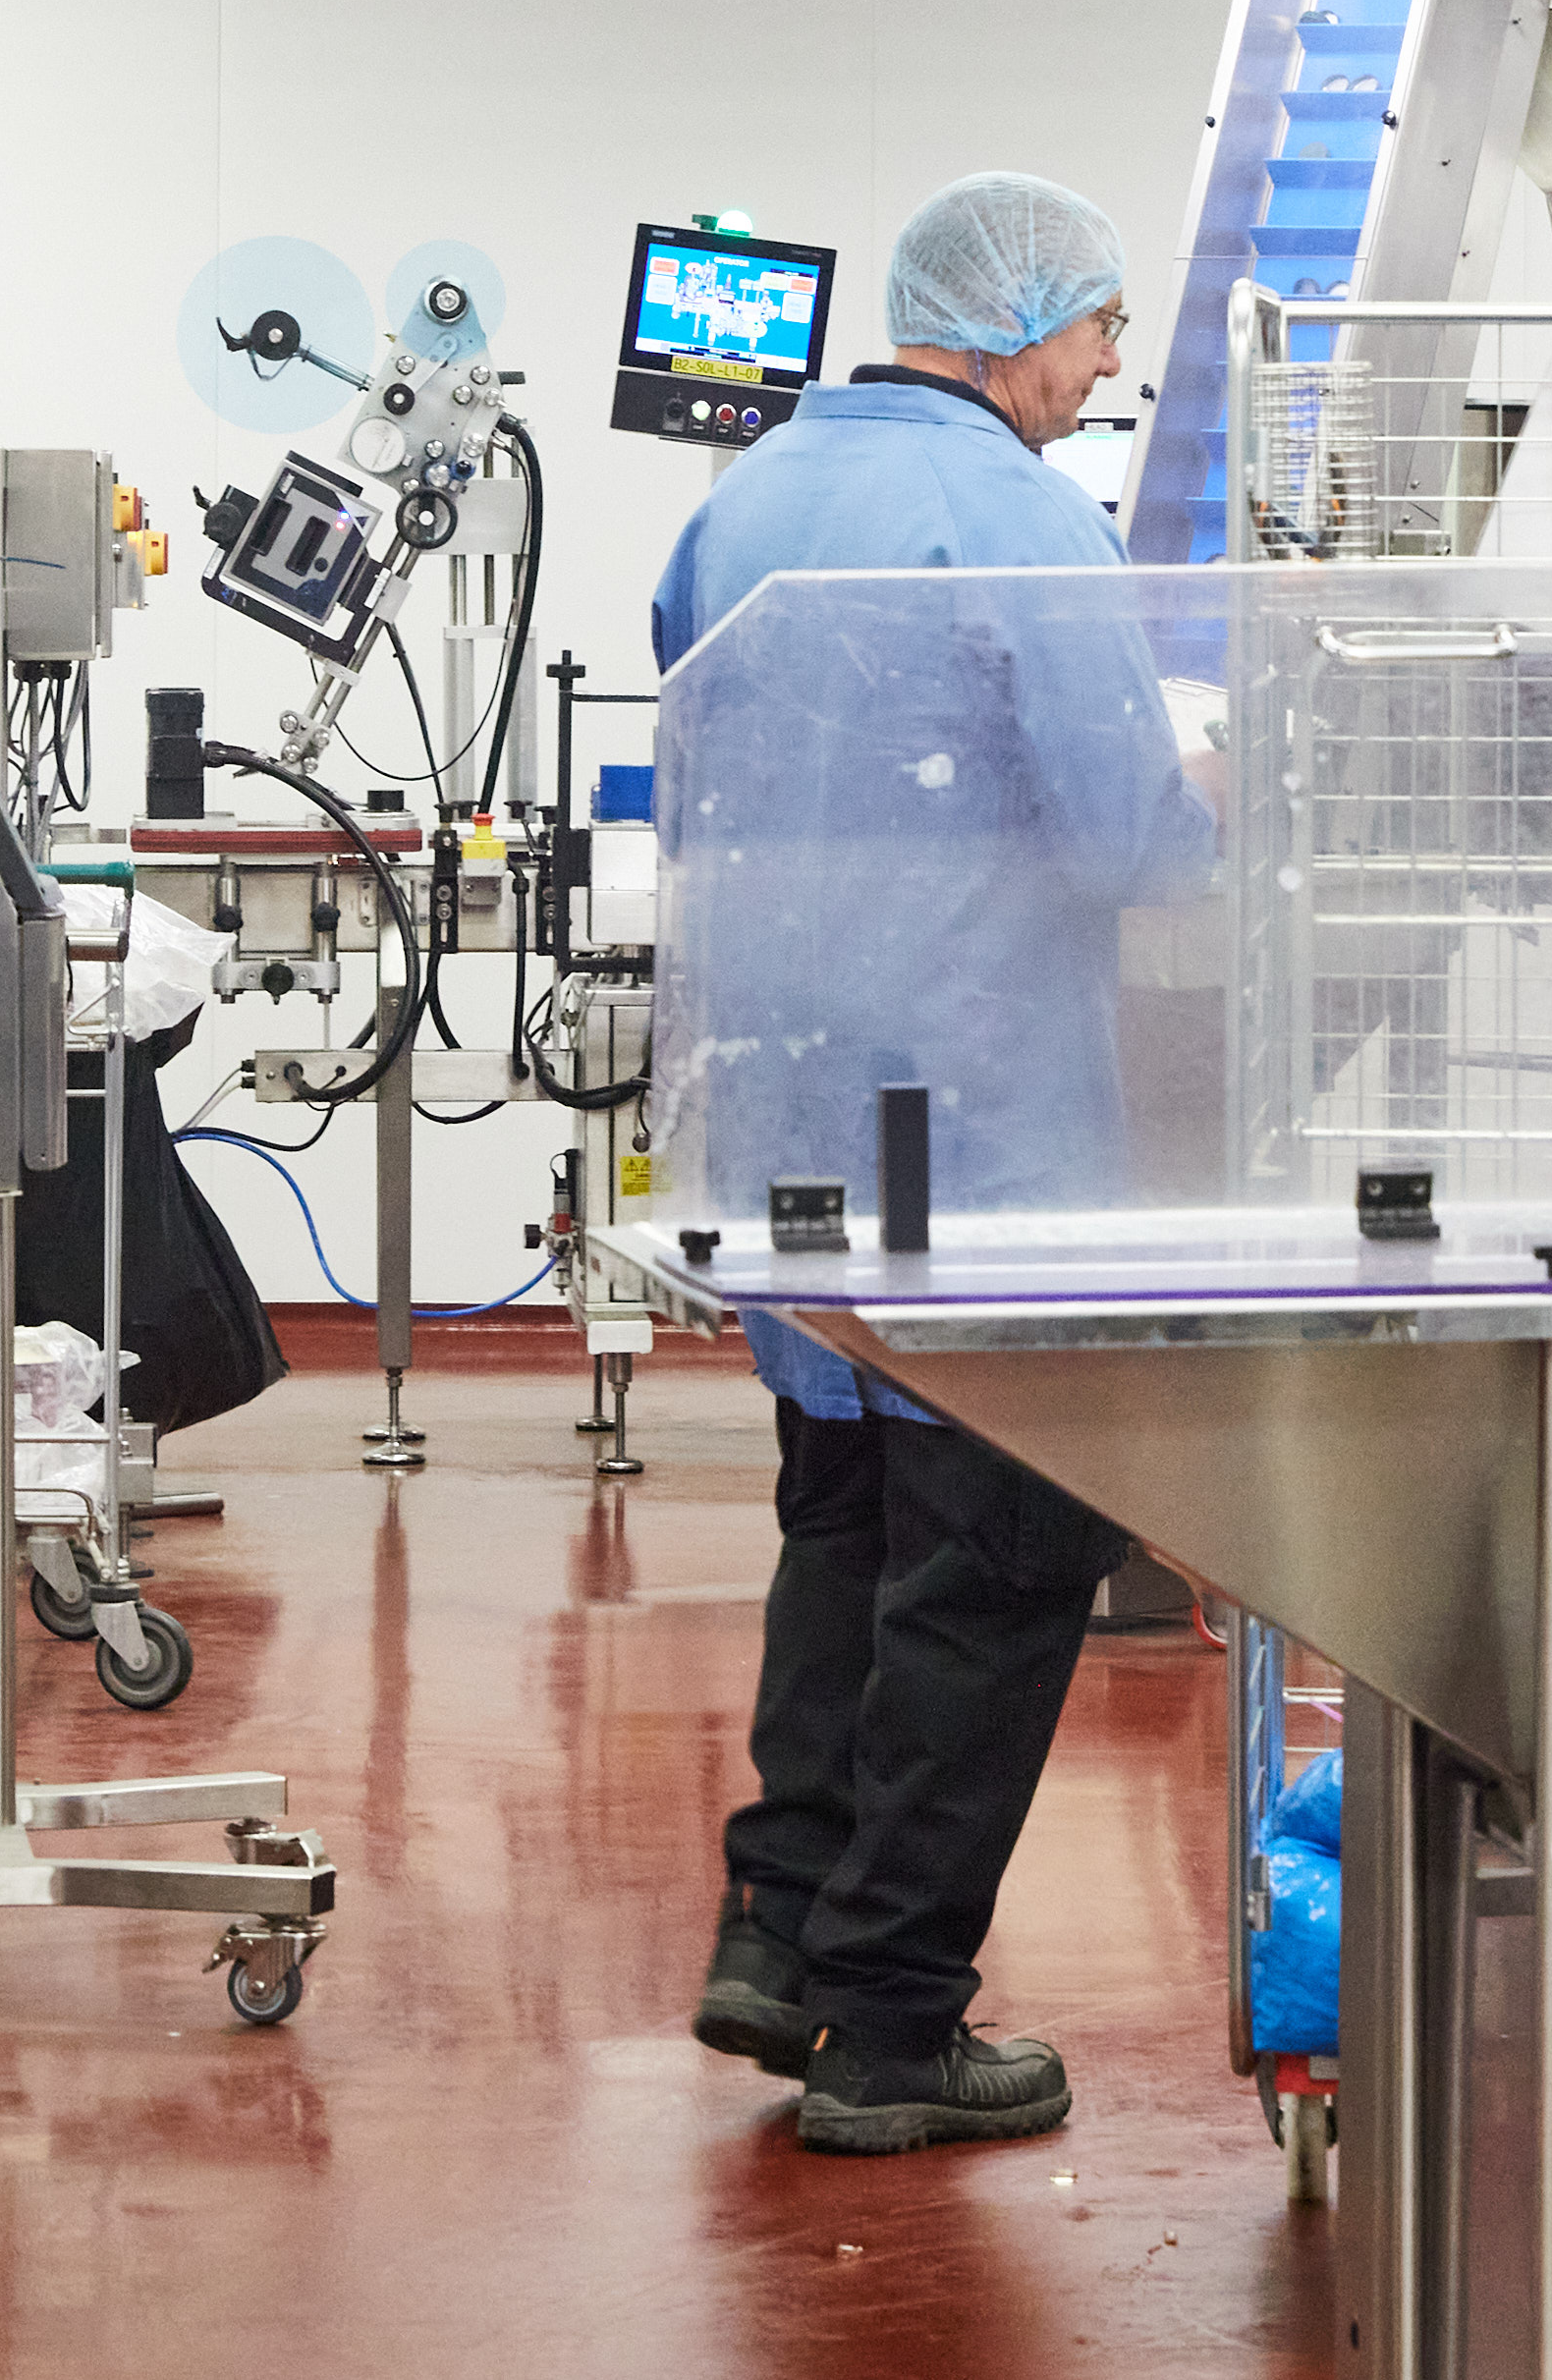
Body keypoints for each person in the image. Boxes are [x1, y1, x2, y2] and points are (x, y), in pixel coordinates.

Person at [649, 171, 1222, 2156]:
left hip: (796, 1122)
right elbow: (1126, 844)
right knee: (991, 1564)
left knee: (846, 1517)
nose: (1102, 368)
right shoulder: (1015, 515)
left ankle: (778, 1932)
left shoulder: (742, 501)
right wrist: (1225, 821)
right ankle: (894, 2023)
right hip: (979, 1123)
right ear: (1008, 327)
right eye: (1092, 333)